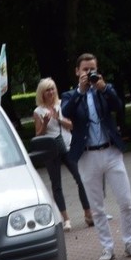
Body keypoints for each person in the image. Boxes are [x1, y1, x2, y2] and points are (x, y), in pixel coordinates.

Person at [61, 53, 131, 260]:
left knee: (126, 201)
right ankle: (107, 247)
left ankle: (130, 242)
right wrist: (81, 90)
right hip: (87, 155)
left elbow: (117, 105)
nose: (89, 73)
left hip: (110, 151)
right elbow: (66, 112)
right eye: (85, 70)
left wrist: (103, 88)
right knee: (97, 207)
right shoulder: (71, 95)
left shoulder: (104, 90)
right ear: (77, 72)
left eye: (93, 69)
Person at [32, 78, 92, 230]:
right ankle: (66, 219)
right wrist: (45, 123)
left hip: (68, 145)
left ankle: (88, 214)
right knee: (56, 184)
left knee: (80, 179)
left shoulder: (62, 105)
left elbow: (71, 125)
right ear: (42, 93)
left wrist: (58, 118)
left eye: (52, 89)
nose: (51, 92)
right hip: (51, 149)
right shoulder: (38, 111)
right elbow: (38, 135)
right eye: (47, 90)